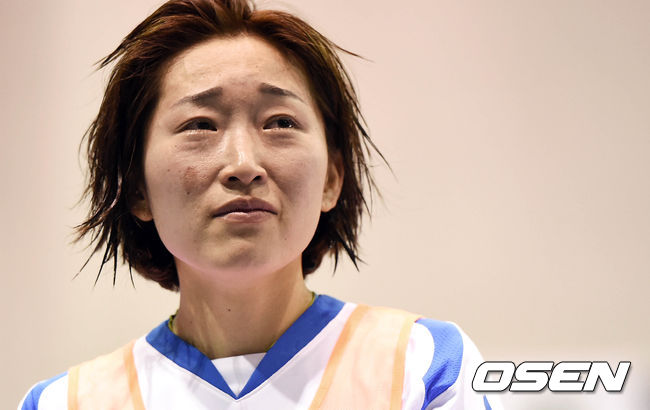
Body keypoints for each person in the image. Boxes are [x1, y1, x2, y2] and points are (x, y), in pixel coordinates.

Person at [20, 0, 501, 408]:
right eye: (200, 125)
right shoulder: (66, 401)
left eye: (280, 123)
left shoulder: (423, 365)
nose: (243, 164)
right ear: (137, 189)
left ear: (332, 178)